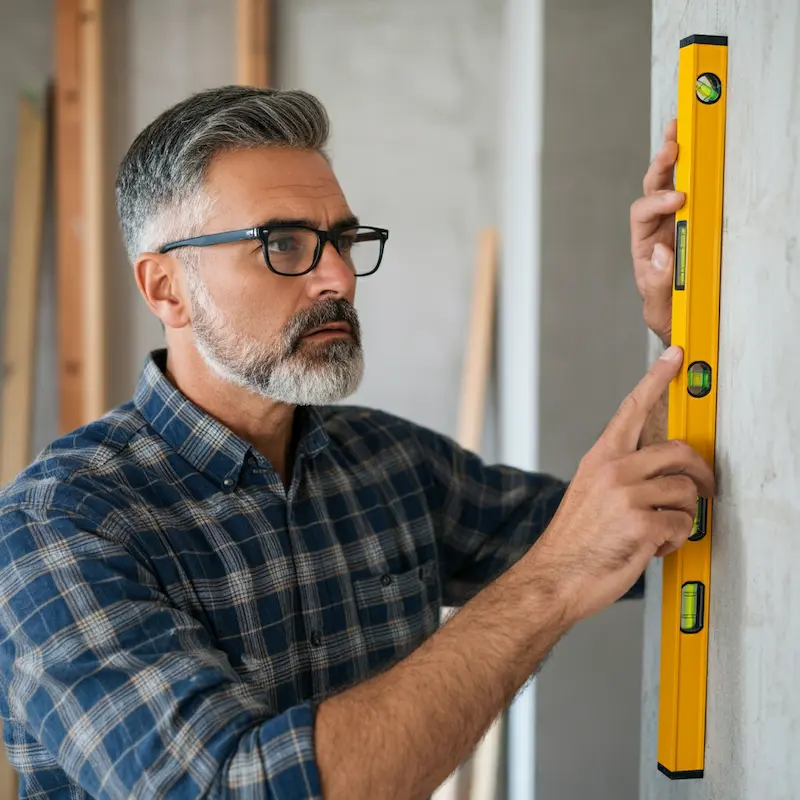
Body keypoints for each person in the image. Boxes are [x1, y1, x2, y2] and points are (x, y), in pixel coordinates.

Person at [0, 88, 712, 799]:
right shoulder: (57, 525)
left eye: (342, 239)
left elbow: (634, 531)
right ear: (167, 289)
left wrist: (678, 321)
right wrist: (551, 581)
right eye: (281, 244)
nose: (337, 277)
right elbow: (235, 790)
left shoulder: (390, 464)